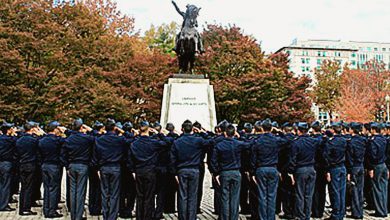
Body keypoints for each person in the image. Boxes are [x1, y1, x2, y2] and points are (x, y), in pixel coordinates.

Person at [128, 121, 172, 220]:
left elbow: (130, 159)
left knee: (140, 197)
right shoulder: (153, 142)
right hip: (151, 171)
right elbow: (168, 143)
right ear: (149, 129)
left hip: (139, 170)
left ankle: (139, 217)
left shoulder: (134, 143)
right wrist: (159, 133)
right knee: (149, 196)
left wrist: (133, 171)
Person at [171, 120, 214, 220]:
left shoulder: (177, 142)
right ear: (193, 129)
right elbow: (212, 141)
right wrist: (203, 132)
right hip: (194, 170)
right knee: (193, 196)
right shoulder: (198, 140)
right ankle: (191, 217)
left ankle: (182, 217)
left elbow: (172, 159)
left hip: (181, 170)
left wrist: (174, 173)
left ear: (182, 129)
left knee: (182, 196)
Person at [211, 124, 250, 220]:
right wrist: (241, 137)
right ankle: (234, 217)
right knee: (235, 198)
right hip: (236, 172)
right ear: (234, 133)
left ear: (225, 133)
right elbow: (250, 144)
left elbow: (213, 160)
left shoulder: (219, 145)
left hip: (224, 172)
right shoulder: (239, 144)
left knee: (224, 198)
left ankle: (224, 217)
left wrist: (215, 173)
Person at [251, 119, 288, 220]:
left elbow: (253, 158)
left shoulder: (257, 141)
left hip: (261, 169)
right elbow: (287, 140)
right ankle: (271, 217)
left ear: (262, 128)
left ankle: (263, 218)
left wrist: (253, 172)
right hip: (273, 168)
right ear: (271, 128)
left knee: (262, 196)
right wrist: (279, 131)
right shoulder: (276, 139)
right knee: (272, 196)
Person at [93, 119, 127, 220]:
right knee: (114, 194)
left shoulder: (99, 140)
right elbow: (132, 138)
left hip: (104, 167)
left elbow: (95, 155)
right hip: (115, 167)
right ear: (114, 128)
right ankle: (112, 216)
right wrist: (122, 131)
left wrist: (97, 168)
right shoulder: (120, 140)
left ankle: (105, 215)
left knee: (105, 193)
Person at [61, 118, 94, 220]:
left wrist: (67, 166)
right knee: (80, 192)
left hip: (71, 166)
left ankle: (73, 215)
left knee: (72, 191)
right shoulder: (87, 138)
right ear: (81, 127)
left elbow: (63, 155)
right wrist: (90, 129)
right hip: (83, 166)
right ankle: (78, 216)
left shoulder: (68, 139)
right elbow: (97, 136)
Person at [288, 122, 321, 220]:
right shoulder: (313, 141)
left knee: (300, 194)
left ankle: (300, 215)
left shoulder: (296, 142)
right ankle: (307, 215)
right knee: (309, 195)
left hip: (300, 170)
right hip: (311, 168)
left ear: (299, 131)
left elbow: (293, 159)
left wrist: (290, 171)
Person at [38, 121, 66, 218]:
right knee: (53, 188)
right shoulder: (58, 140)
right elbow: (68, 140)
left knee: (46, 188)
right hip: (54, 166)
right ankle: (52, 211)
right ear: (55, 129)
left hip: (44, 165)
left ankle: (46, 209)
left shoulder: (42, 140)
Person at [15, 121, 42, 216]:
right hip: (31, 164)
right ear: (32, 129)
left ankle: (22, 208)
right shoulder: (34, 140)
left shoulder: (19, 140)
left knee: (23, 187)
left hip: (22, 164)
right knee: (29, 187)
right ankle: (26, 208)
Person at [323, 122, 348, 220]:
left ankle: (336, 214)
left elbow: (326, 157)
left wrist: (327, 170)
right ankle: (341, 213)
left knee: (335, 192)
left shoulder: (331, 142)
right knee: (342, 192)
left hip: (334, 168)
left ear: (333, 130)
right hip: (342, 167)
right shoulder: (344, 140)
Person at [366, 122, 389, 218]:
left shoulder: (373, 141)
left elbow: (372, 155)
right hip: (384, 165)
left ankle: (380, 211)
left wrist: (370, 167)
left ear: (373, 130)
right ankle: (384, 209)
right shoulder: (384, 139)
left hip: (376, 166)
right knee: (384, 189)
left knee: (377, 189)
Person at [346, 122, 367, 219]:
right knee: (360, 190)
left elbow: (350, 157)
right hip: (361, 166)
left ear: (352, 130)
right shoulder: (363, 140)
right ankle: (360, 212)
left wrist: (349, 171)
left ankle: (356, 213)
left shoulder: (350, 142)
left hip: (354, 167)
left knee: (354, 190)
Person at [277, 122, 295, 219]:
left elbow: (280, 155)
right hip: (295, 168)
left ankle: (287, 212)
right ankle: (294, 210)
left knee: (286, 192)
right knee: (294, 191)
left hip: (284, 168)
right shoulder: (296, 139)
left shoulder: (282, 141)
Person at [310, 121, 327, 218]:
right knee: (322, 190)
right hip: (323, 167)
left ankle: (316, 211)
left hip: (316, 166)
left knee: (315, 190)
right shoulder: (325, 139)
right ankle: (320, 210)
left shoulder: (314, 140)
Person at [0, 122, 17, 212]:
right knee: (6, 185)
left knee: (1, 184)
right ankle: (3, 205)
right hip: (6, 163)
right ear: (8, 130)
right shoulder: (11, 140)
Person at [89, 121, 104, 216]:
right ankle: (97, 208)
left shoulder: (90, 137)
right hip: (98, 165)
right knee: (98, 188)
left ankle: (91, 206)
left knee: (92, 188)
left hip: (90, 165)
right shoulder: (100, 139)